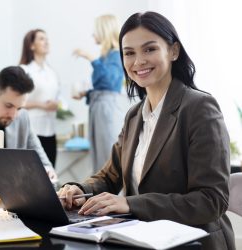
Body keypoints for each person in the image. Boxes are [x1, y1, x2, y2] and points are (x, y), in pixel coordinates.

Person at [58, 11, 234, 250]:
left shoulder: (199, 108)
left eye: (149, 49)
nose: (138, 61)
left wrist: (131, 204)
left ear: (173, 51)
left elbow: (211, 201)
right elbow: (110, 175)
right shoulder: (134, 115)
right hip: (142, 239)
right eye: (129, 53)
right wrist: (80, 190)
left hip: (194, 242)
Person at [73, 14, 125, 173]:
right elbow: (105, 86)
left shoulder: (116, 54)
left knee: (107, 155)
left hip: (106, 109)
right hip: (99, 106)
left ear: (104, 31)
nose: (93, 35)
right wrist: (86, 94)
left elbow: (110, 82)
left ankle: (111, 196)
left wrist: (91, 59)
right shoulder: (106, 56)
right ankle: (100, 194)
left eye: (95, 31)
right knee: (98, 154)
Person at [19, 29, 60, 168]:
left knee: (51, 176)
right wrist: (42, 105)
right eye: (41, 39)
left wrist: (57, 104)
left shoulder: (51, 71)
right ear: (31, 45)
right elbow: (17, 102)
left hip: (50, 131)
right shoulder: (24, 70)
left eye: (47, 38)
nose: (46, 41)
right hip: (33, 131)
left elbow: (56, 96)